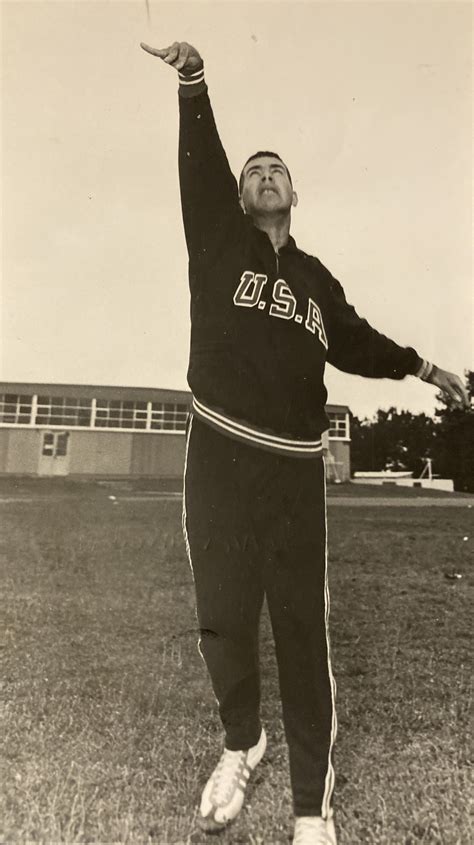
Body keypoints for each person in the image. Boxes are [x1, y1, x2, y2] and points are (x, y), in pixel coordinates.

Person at [140, 40, 469, 845]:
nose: (262, 173)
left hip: (292, 467)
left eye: (274, 168)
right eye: (252, 169)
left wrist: (426, 366)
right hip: (218, 450)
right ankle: (242, 739)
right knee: (221, 615)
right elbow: (198, 170)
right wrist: (193, 83)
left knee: (299, 627)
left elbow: (357, 342)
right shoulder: (218, 244)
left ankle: (310, 810)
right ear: (240, 194)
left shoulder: (318, 279)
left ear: (294, 193)